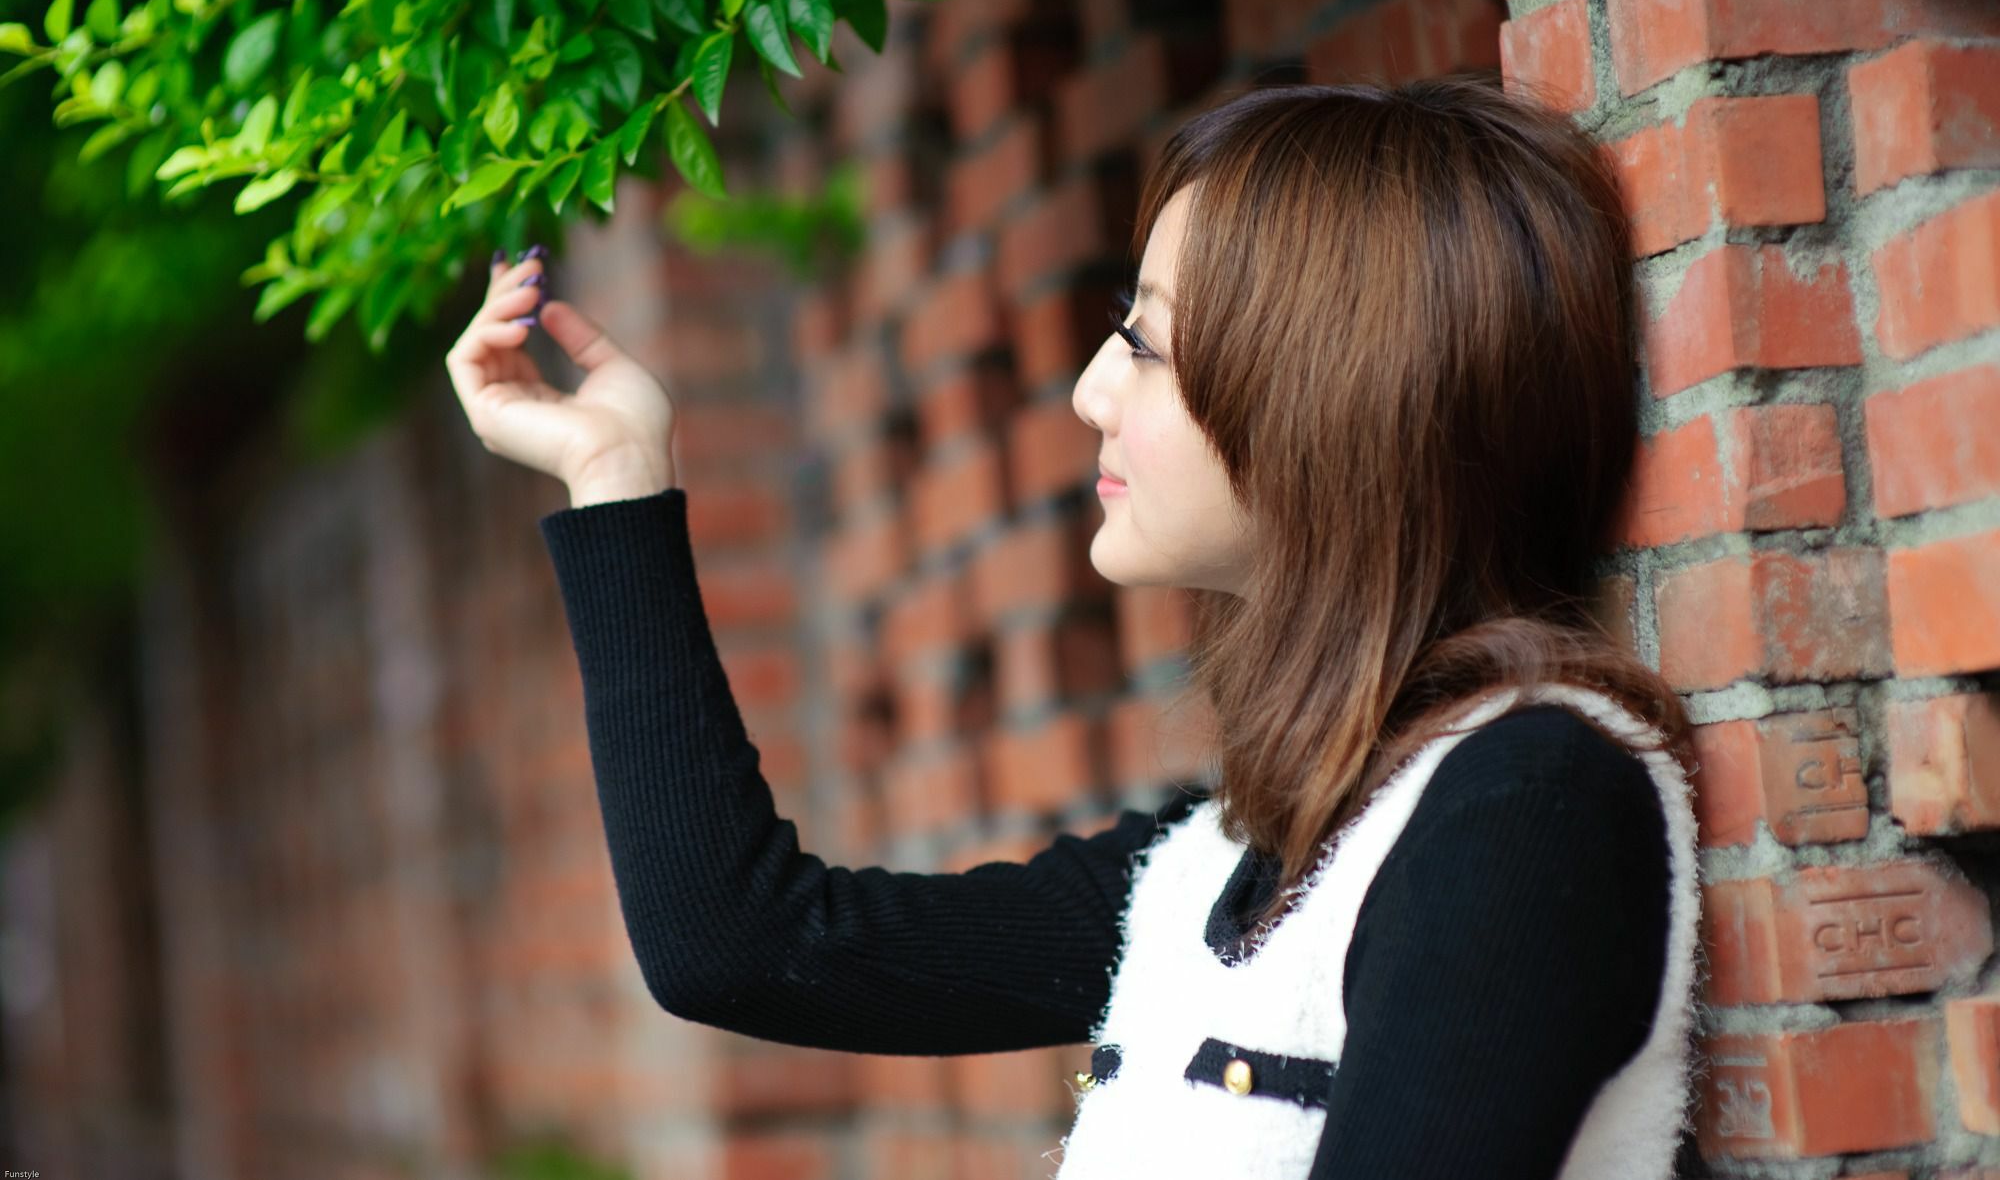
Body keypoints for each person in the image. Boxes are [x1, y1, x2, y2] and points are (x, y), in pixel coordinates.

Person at [445, 75, 1707, 1179]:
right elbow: (745, 944)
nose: (1089, 388)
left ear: (1331, 396)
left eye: (1144, 343)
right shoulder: (1221, 858)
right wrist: (614, 473)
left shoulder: (1526, 806)